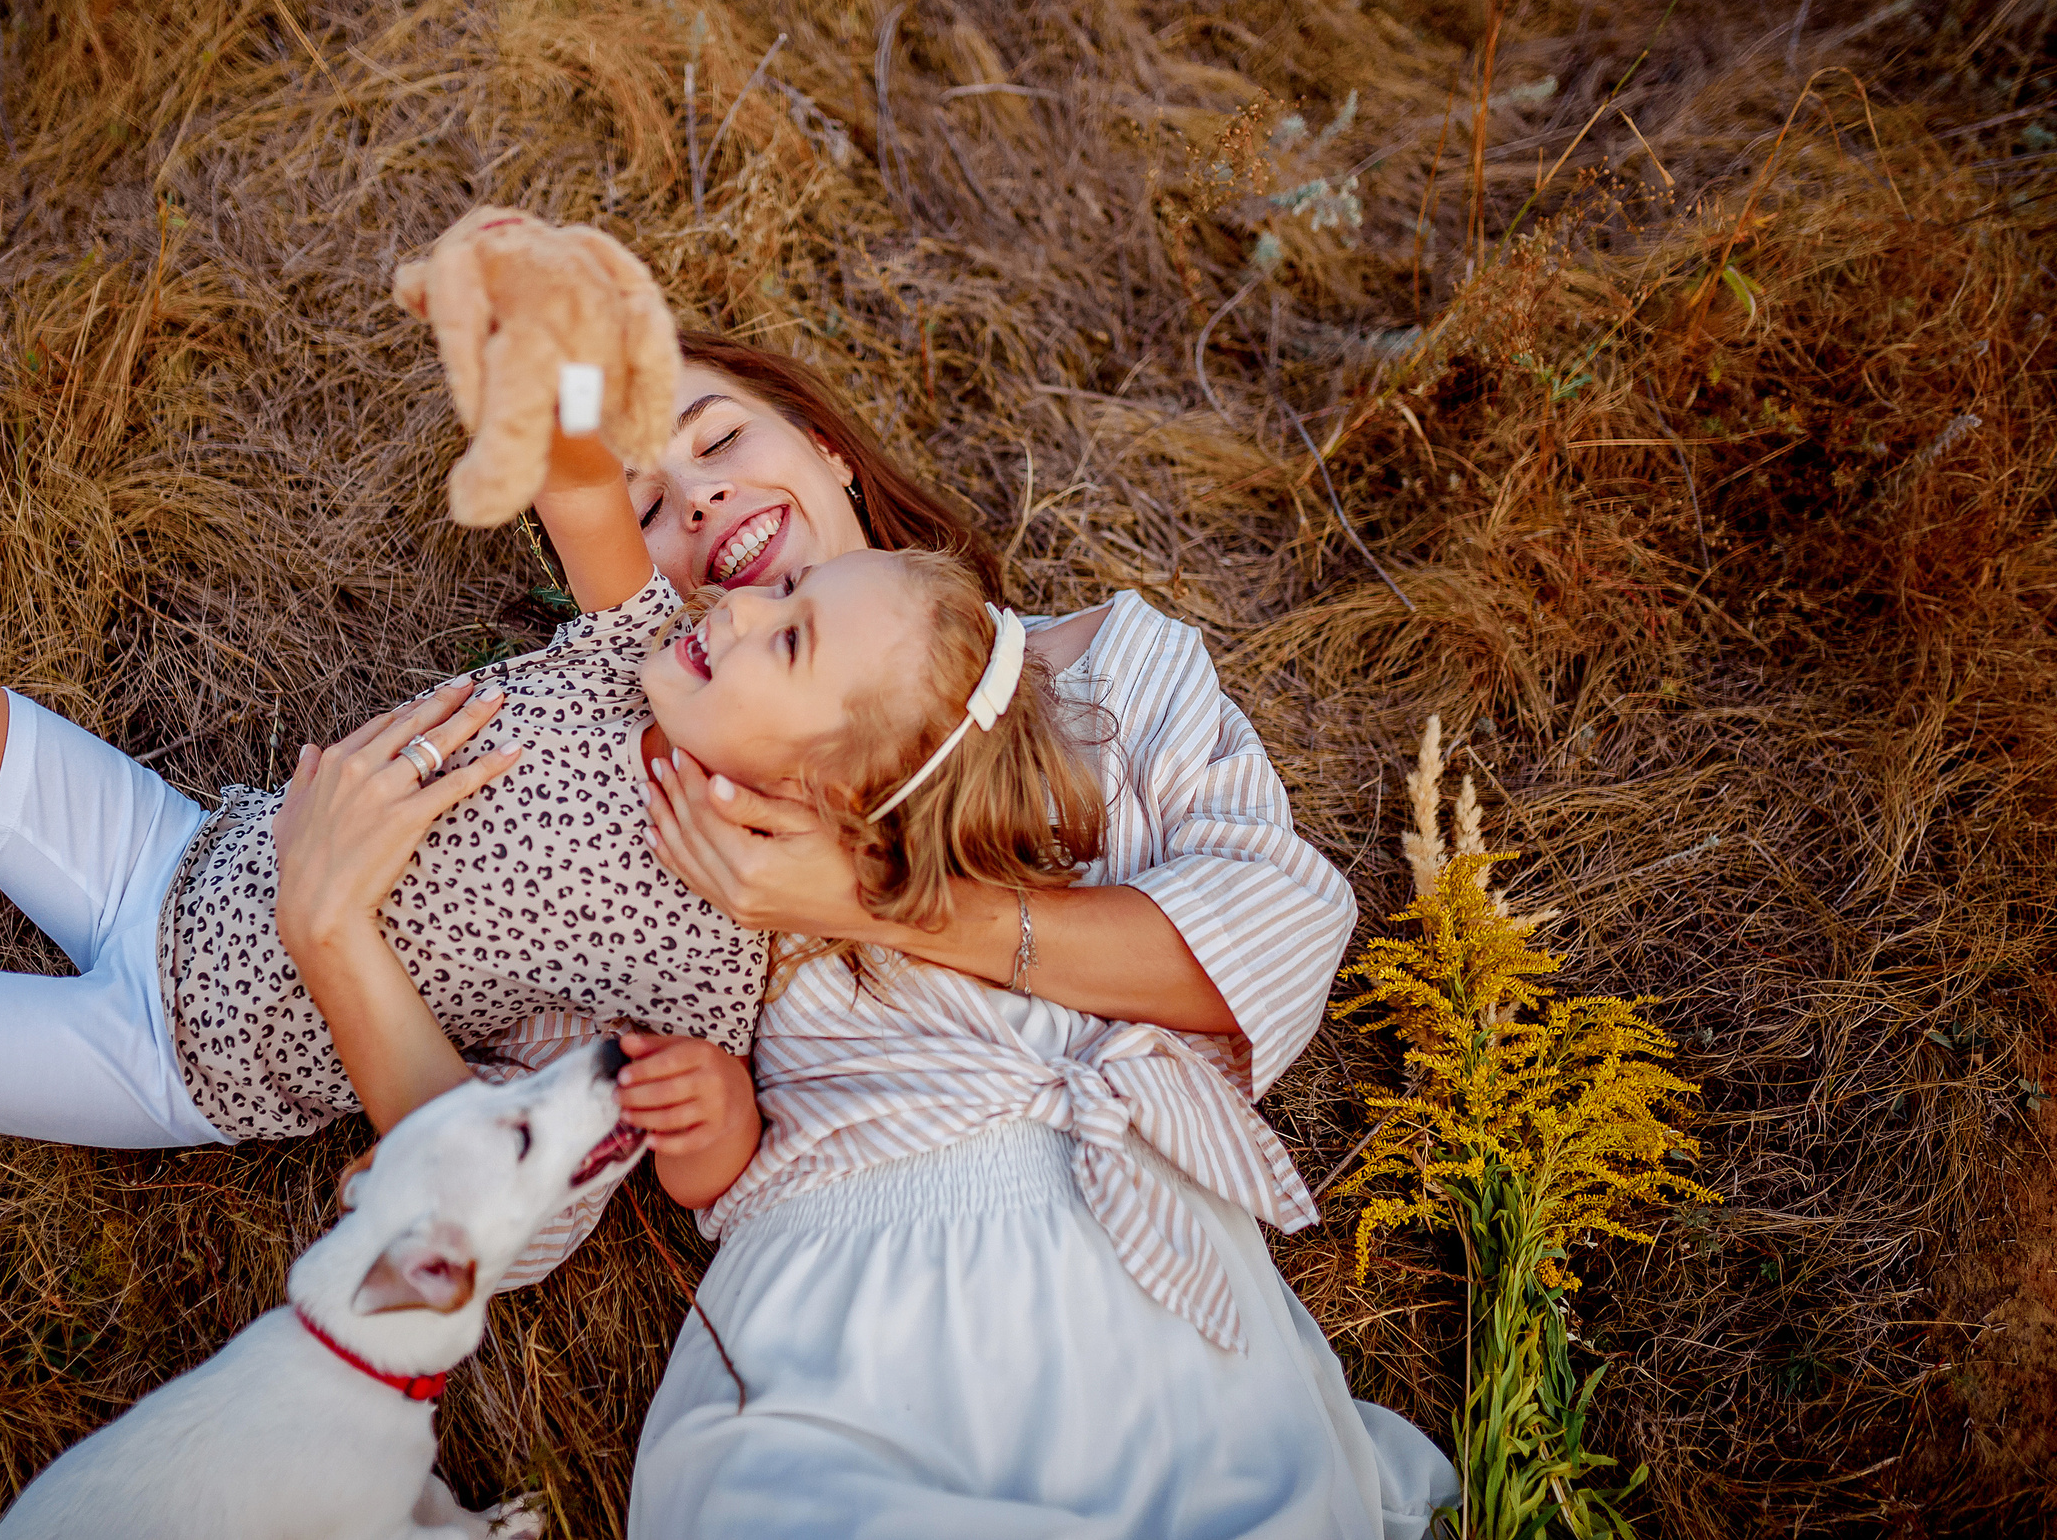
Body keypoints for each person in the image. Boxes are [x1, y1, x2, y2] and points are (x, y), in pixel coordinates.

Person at [0, 330, 1092, 1457]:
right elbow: (582, 488)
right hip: (185, 854)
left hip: (191, 1043)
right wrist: (552, 361)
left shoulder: (697, 966)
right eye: (773, 599)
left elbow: (497, 1190)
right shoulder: (639, 653)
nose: (742, 604)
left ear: (829, 800)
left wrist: (706, 1132)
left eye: (785, 642)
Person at [622, 330, 1462, 1538]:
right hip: (846, 1296)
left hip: (1127, 1263)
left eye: (717, 438)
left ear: (823, 447)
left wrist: (863, 900)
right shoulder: (676, 797)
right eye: (646, 504)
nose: (696, 492)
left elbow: (1275, 936)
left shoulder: (1112, 664)